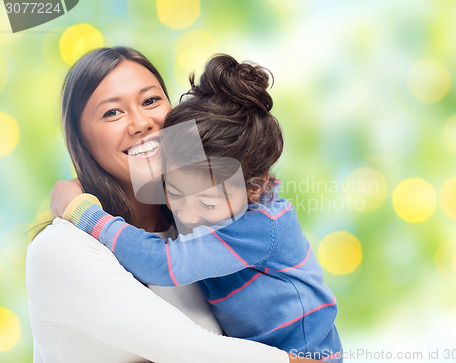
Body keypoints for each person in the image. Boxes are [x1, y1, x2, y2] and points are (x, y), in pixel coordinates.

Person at [26, 47, 323, 363]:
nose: (141, 123)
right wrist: (82, 212)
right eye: (112, 112)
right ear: (80, 140)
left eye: (150, 100)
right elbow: (194, 352)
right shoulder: (61, 249)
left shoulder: (202, 225)